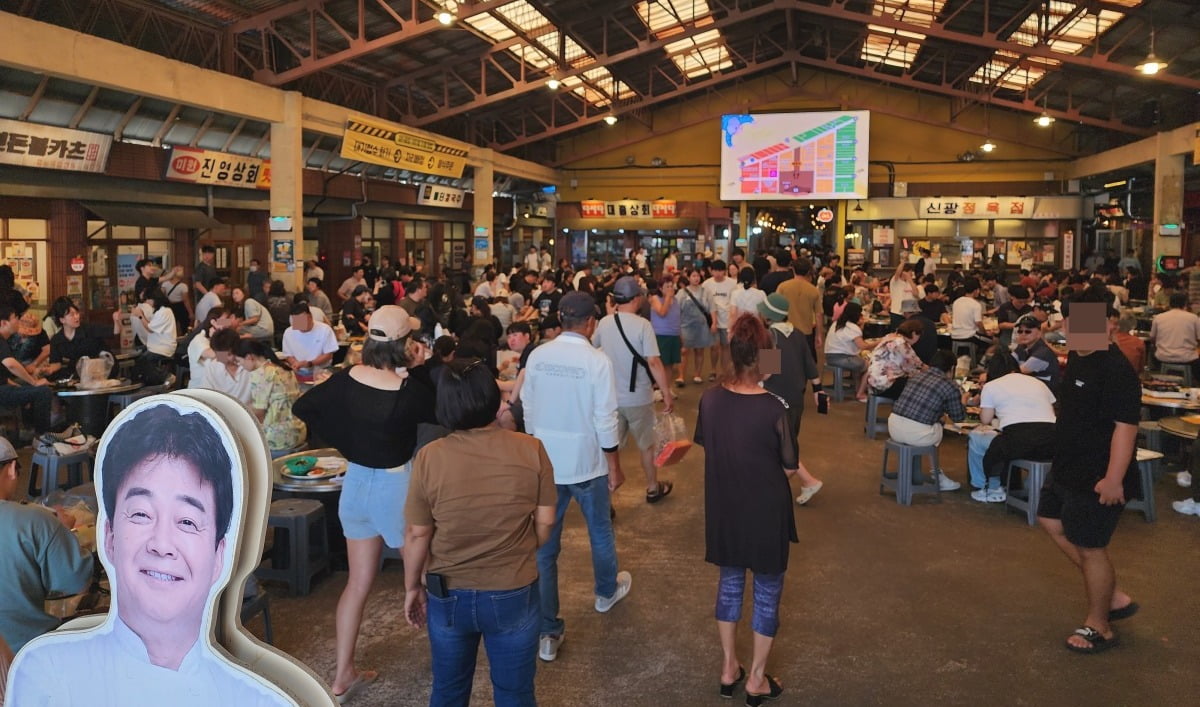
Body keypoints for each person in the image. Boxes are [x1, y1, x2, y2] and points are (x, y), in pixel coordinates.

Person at [7, 403, 293, 705]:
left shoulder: (260, 702)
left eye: (187, 521)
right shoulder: (45, 673)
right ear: (109, 536)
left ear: (221, 554)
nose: (161, 544)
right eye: (141, 514)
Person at [293, 306, 436, 701]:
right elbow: (439, 407)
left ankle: (342, 675)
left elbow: (303, 407)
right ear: (406, 345)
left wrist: (348, 442)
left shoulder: (346, 378)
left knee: (357, 584)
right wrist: (422, 368)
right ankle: (447, 662)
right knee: (426, 575)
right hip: (396, 485)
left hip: (354, 483)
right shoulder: (409, 392)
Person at [402, 358, 556, 706]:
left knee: (448, 691)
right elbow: (546, 520)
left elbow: (416, 533)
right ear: (492, 398)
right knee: (515, 693)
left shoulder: (429, 457)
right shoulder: (531, 449)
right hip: (513, 588)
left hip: (447, 591)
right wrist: (526, 547)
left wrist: (412, 586)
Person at [522, 291, 631, 663]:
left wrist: (535, 451)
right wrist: (614, 463)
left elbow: (529, 409)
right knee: (599, 531)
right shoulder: (596, 361)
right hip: (588, 464)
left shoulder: (539, 355)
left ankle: (548, 631)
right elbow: (605, 417)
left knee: (545, 549)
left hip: (546, 465)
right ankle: (605, 593)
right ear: (589, 323)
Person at [694, 315, 797, 706]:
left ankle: (728, 667)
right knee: (768, 592)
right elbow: (789, 466)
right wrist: (764, 371)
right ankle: (756, 679)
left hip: (724, 505)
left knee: (730, 585)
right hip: (766, 508)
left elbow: (710, 440)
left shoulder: (710, 398)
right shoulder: (774, 408)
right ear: (764, 354)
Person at [1037, 286, 1141, 655]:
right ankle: (1111, 595)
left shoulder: (1115, 369)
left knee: (1091, 547)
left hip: (1098, 474)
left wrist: (1113, 479)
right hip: (1067, 467)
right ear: (1066, 322)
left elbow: (1125, 427)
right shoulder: (1079, 356)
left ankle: (1100, 625)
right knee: (1049, 520)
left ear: (1109, 324)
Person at [0, 435, 93, 652]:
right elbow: (76, 581)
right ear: (12, 469)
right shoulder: (35, 521)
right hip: (27, 655)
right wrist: (65, 531)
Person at [592, 276, 676, 503]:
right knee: (646, 446)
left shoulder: (605, 323)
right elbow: (654, 362)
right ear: (637, 299)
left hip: (611, 399)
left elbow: (592, 348)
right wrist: (666, 393)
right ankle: (652, 488)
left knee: (610, 449)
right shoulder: (643, 325)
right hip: (639, 397)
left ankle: (606, 501)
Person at [757, 295, 825, 505]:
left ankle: (768, 491)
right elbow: (810, 365)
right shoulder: (797, 334)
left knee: (779, 448)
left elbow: (767, 374)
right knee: (786, 445)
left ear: (767, 316)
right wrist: (818, 390)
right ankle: (808, 481)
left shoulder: (770, 337)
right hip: (796, 399)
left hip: (775, 400)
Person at [967, 350, 1057, 503]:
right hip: (1053, 441)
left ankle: (989, 488)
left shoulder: (992, 385)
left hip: (1019, 442)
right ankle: (1034, 490)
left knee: (976, 438)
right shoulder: (1038, 383)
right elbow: (1050, 412)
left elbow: (985, 420)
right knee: (1004, 442)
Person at [885, 351, 966, 491]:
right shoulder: (950, 385)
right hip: (917, 434)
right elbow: (959, 417)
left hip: (893, 426)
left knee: (931, 421)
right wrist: (963, 400)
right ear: (952, 368)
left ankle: (909, 472)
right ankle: (937, 475)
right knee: (939, 425)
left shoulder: (916, 376)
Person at [233, 339, 306, 457]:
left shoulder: (261, 374)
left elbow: (259, 411)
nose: (240, 365)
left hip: (277, 437)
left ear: (249, 357)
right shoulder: (284, 368)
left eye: (239, 361)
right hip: (299, 430)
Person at [824, 301, 877, 400]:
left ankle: (857, 389)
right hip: (841, 358)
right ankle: (860, 393)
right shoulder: (852, 327)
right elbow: (863, 346)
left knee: (859, 362)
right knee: (870, 366)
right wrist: (879, 342)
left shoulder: (837, 323)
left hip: (829, 357)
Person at [46, 298, 109, 381]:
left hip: (96, 377)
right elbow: (56, 363)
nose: (77, 316)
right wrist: (49, 369)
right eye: (72, 315)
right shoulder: (56, 340)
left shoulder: (89, 330)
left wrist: (117, 322)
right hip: (73, 379)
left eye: (77, 313)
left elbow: (113, 331)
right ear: (62, 320)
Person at [864, 318, 925, 402]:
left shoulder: (890, 336)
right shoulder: (901, 343)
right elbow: (917, 364)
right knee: (921, 386)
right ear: (914, 333)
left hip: (873, 384)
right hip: (885, 385)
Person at [125, 290, 178, 386]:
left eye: (148, 299)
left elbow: (150, 329)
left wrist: (140, 315)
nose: (147, 302)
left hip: (162, 348)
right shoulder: (159, 312)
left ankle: (166, 376)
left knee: (143, 361)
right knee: (138, 356)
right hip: (155, 346)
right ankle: (143, 383)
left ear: (154, 299)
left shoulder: (164, 311)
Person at [777, 257, 823, 361]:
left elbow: (776, 307)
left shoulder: (782, 287)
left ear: (793, 269)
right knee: (805, 363)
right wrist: (818, 335)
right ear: (808, 272)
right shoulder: (813, 290)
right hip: (806, 332)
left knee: (786, 361)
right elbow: (819, 314)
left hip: (785, 331)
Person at [1149, 291, 1200, 382]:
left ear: (1169, 303)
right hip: (1188, 359)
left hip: (1162, 358)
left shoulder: (1159, 318)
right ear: (1185, 304)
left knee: (1152, 350)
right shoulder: (1194, 318)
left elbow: (1152, 338)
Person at [194, 329, 252, 405]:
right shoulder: (212, 367)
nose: (230, 358)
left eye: (231, 354)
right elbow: (206, 396)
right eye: (226, 355)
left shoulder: (250, 364)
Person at [186, 307, 238, 392]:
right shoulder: (199, 339)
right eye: (225, 320)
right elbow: (214, 355)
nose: (229, 323)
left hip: (219, 389)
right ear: (213, 322)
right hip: (200, 390)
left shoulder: (225, 339)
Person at [701, 260, 737, 378]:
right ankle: (713, 369)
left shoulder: (732, 284)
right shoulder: (706, 284)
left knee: (726, 346)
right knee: (714, 347)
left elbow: (734, 301)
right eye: (715, 270)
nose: (717, 273)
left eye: (720, 271)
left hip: (727, 320)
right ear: (711, 271)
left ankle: (724, 371)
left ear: (724, 271)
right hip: (713, 320)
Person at [281, 303, 339, 373]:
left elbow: (328, 355)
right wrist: (295, 364)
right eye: (297, 322)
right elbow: (288, 354)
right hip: (299, 371)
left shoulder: (325, 329)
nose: (300, 325)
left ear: (310, 317)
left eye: (303, 321)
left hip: (322, 370)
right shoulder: (288, 332)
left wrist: (310, 363)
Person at [679, 268, 713, 384]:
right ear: (688, 278)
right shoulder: (682, 292)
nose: (696, 278)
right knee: (684, 351)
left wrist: (714, 322)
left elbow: (712, 308)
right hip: (685, 325)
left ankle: (697, 374)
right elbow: (676, 310)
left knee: (699, 350)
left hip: (701, 325)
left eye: (698, 276)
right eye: (693, 276)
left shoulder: (705, 291)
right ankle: (681, 376)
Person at [1012, 315, 1062, 393]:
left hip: (1046, 396)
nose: (1023, 334)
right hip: (1032, 390)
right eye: (1020, 331)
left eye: (1028, 331)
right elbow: (1007, 364)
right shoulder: (1022, 347)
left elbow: (1016, 372)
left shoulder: (1043, 353)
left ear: (1039, 333)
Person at [649, 275, 683, 387]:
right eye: (667, 286)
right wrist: (668, 298)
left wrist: (680, 335)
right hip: (661, 335)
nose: (670, 288)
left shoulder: (676, 300)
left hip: (674, 335)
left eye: (671, 286)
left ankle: (667, 389)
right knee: (661, 364)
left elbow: (677, 318)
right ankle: (659, 388)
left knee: (670, 365)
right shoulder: (655, 298)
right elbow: (662, 313)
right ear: (660, 288)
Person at [950, 277, 992, 356]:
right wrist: (985, 333)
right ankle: (981, 363)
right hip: (970, 336)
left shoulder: (956, 302)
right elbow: (978, 323)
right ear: (976, 290)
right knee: (994, 342)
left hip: (954, 335)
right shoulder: (976, 304)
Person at [159, 265, 193, 332]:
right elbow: (186, 301)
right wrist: (190, 312)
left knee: (170, 326)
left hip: (169, 306)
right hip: (180, 307)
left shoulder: (165, 284)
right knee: (184, 325)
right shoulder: (183, 286)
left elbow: (162, 297)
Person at [888, 262, 918, 328]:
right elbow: (898, 272)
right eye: (910, 272)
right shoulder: (895, 281)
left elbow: (916, 294)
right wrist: (903, 261)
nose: (911, 273)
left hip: (910, 314)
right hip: (897, 313)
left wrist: (910, 280)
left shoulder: (911, 283)